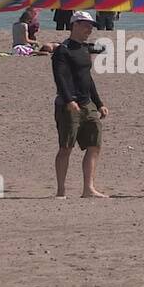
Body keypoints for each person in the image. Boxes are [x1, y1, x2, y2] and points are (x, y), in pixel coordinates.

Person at [51, 11, 109, 198]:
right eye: (85, 25)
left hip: (87, 104)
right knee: (66, 148)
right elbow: (60, 78)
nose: (89, 29)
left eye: (91, 25)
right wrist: (69, 100)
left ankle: (88, 188)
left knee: (95, 145)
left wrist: (99, 103)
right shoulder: (63, 50)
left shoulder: (84, 49)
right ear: (74, 25)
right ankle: (61, 189)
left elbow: (88, 78)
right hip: (68, 105)